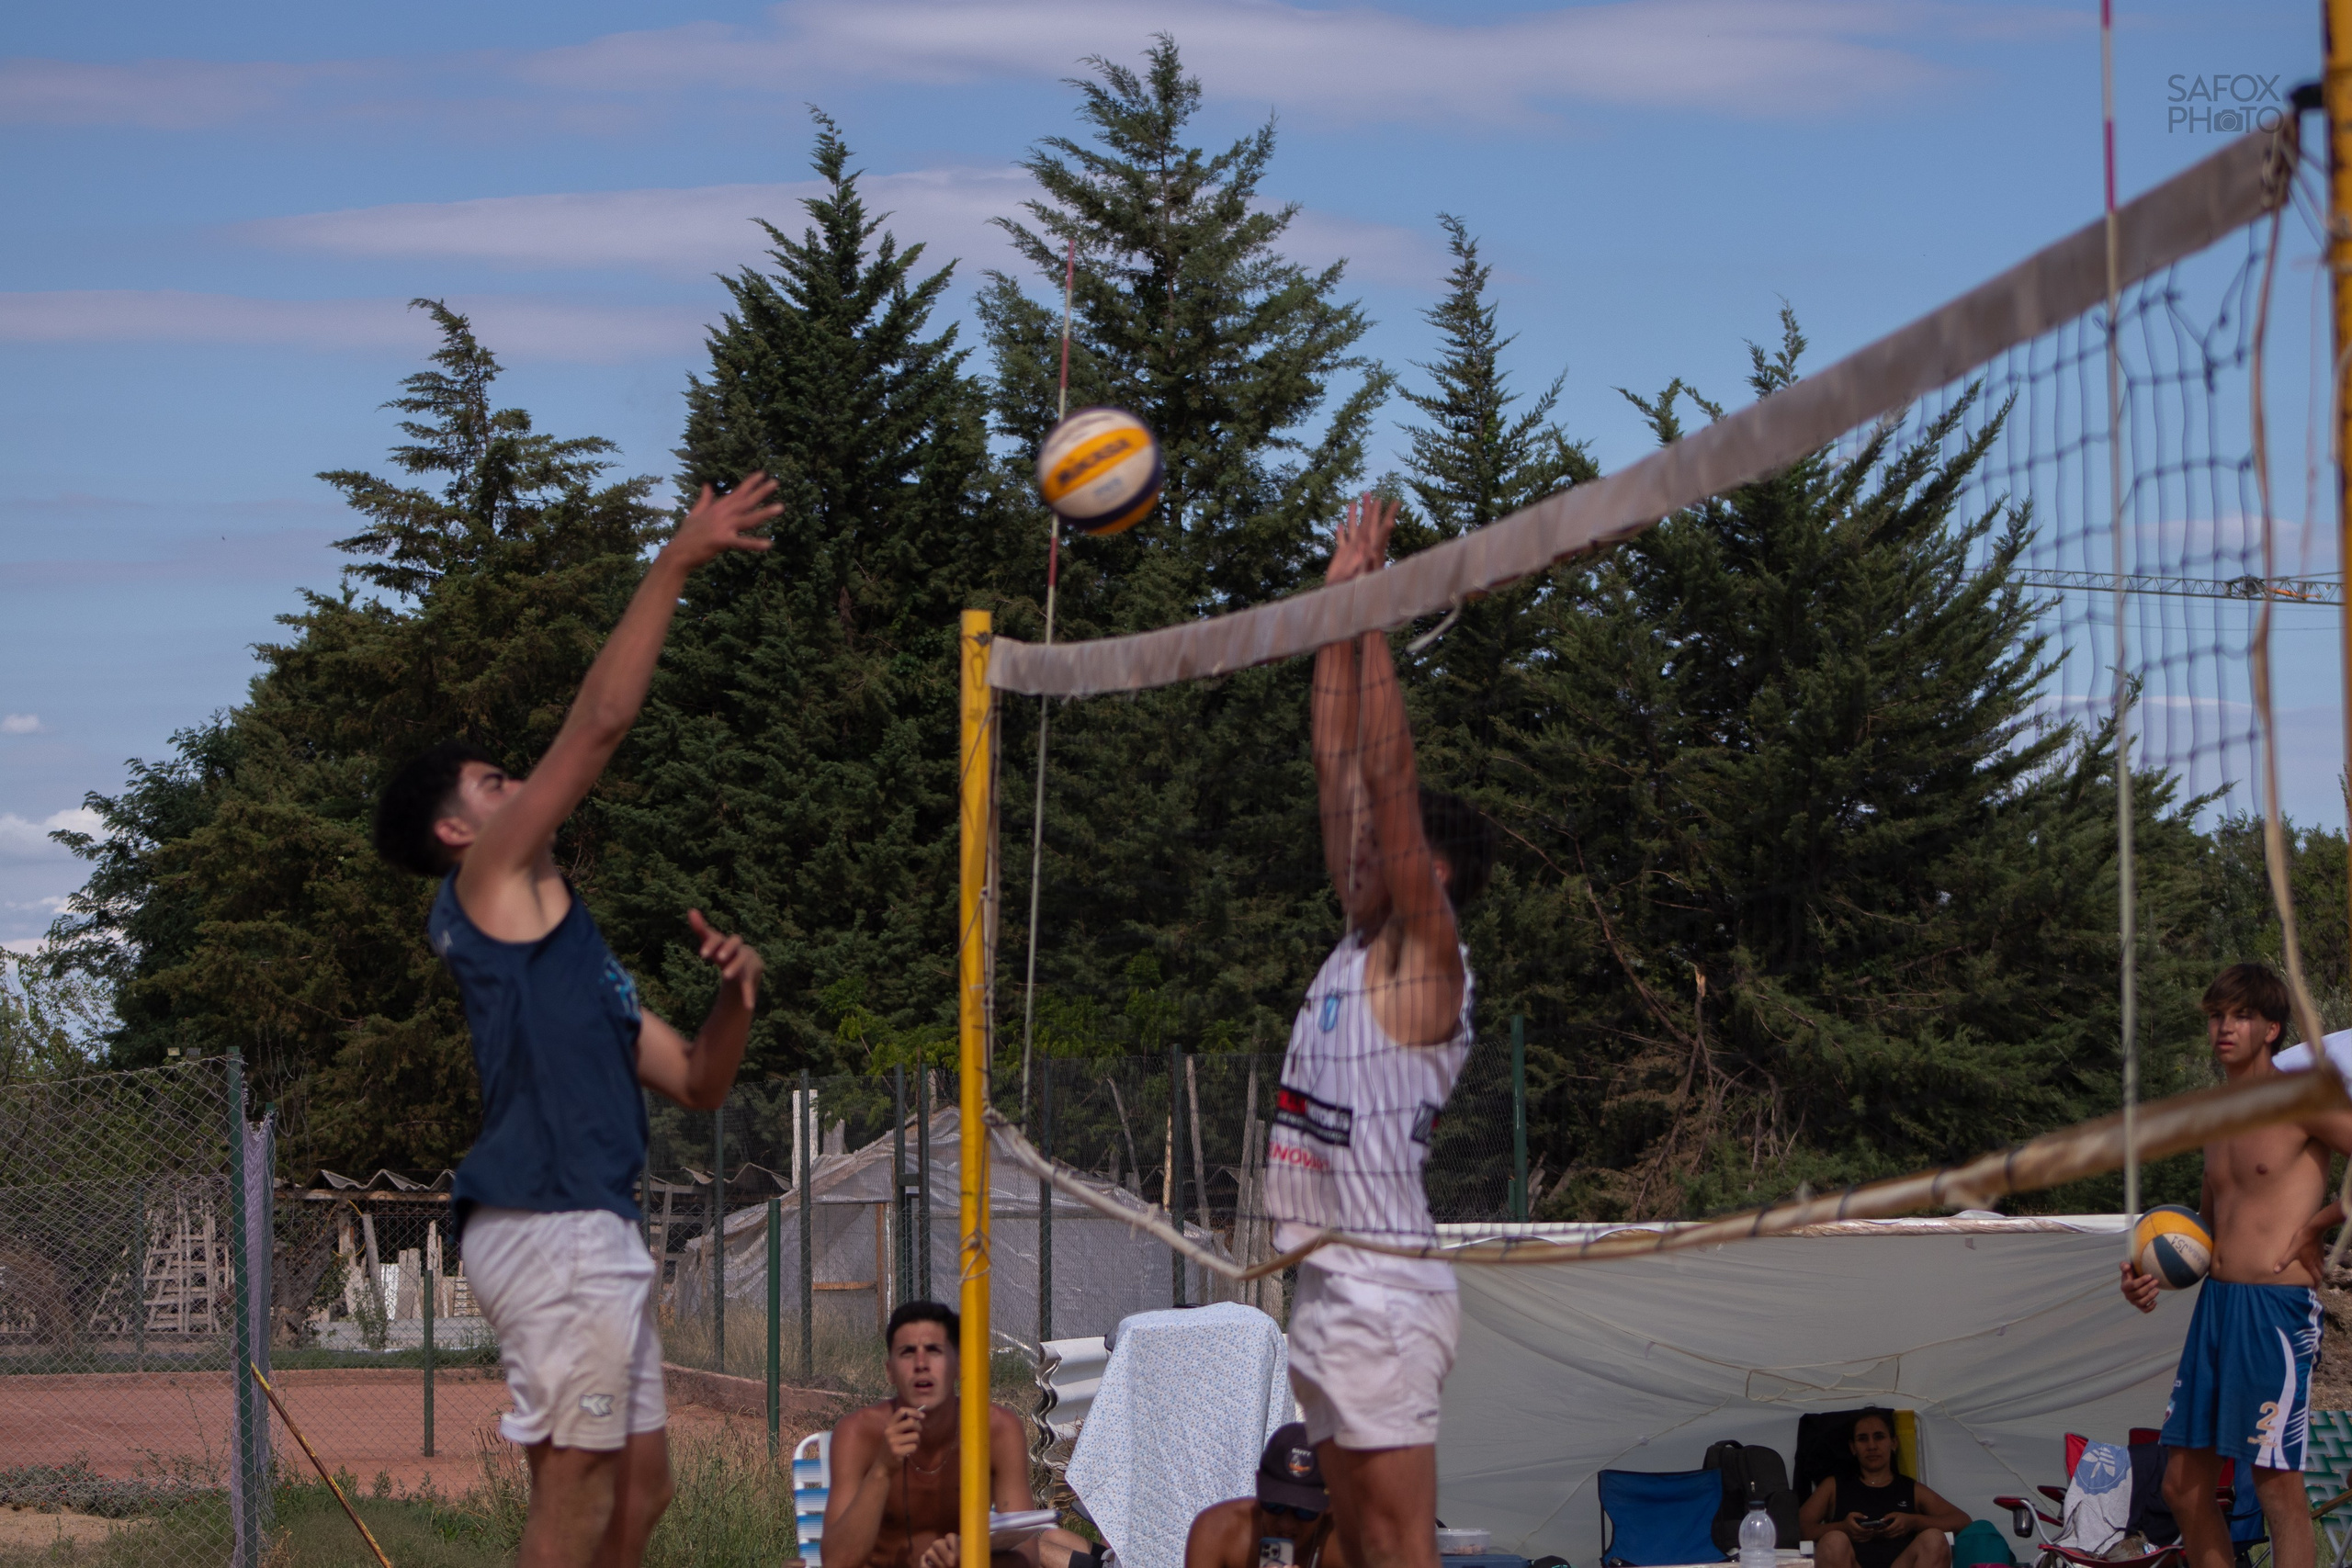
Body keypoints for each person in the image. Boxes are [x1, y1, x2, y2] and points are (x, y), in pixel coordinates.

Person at [369, 473, 782, 1568]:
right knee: (576, 1508)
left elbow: (696, 1081)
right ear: (460, 831)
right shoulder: (489, 885)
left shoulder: (570, 949)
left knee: (641, 1495)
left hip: (586, 1224)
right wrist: (677, 559)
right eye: (497, 780)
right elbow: (600, 724)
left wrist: (733, 996)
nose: (521, 788)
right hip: (550, 1226)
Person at [1263, 494, 1496, 1568]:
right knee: (1346, 1555)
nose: (1354, 850)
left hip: (1382, 1289)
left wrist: (1377, 621)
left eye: (1384, 849)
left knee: (1398, 1555)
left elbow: (1389, 783)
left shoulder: (1427, 958)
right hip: (1324, 1284)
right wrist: (1333, 607)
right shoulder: (1355, 946)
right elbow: (1337, 764)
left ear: (1431, 877)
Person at [2119, 962, 2352, 1568]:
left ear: (2272, 1028)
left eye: (2242, 1015)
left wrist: (2319, 1224)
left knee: (2275, 1483)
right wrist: (2148, 1274)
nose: (2225, 1027)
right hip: (2215, 1308)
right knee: (2182, 1484)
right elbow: (2205, 1231)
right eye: (2218, 1015)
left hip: (2275, 1311)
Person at [825, 1300, 1093, 1568]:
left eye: (934, 1351)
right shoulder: (859, 1434)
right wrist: (882, 1469)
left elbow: (1027, 1556)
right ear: (890, 1371)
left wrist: (971, 1560)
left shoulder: (996, 1430)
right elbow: (836, 1562)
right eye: (907, 1352)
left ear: (959, 1366)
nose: (921, 1364)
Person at [1798, 1410, 1968, 1568]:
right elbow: (1798, 1528)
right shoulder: (1833, 1486)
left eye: (1879, 1437)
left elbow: (1962, 1521)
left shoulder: (1911, 1489)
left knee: (1934, 1539)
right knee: (1833, 1541)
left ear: (1894, 1442)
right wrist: (1843, 1528)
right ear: (1853, 1447)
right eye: (1863, 1439)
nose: (1871, 1446)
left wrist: (1913, 1522)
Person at [1183, 1424, 1350, 1568]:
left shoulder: (1350, 1547)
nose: (1286, 1524)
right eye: (1274, 1506)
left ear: (1330, 1504)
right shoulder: (1217, 1530)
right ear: (1258, 1488)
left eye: (1304, 1511)